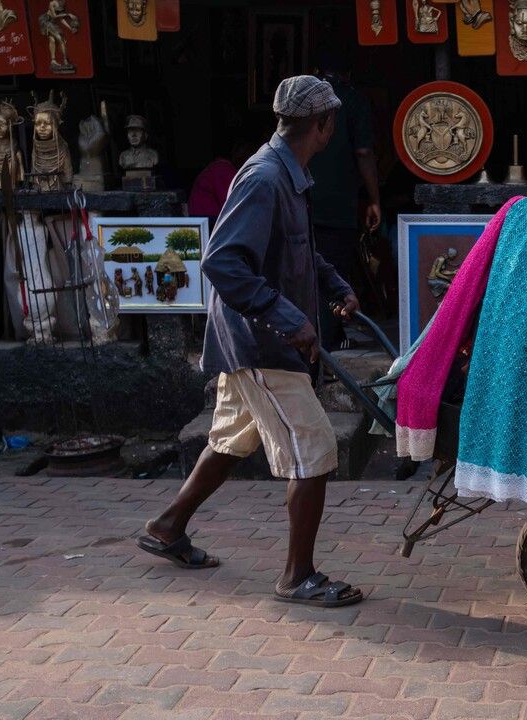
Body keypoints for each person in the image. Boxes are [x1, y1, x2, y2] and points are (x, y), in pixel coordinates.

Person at [137, 75, 365, 608]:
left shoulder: (289, 174)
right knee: (314, 447)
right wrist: (289, 319)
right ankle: (298, 576)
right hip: (261, 342)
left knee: (231, 438)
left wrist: (335, 285)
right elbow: (222, 262)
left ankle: (167, 527)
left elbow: (296, 248)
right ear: (323, 124)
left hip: (259, 335)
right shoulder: (265, 178)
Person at [309, 52, 382, 350]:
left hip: (302, 198)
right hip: (337, 205)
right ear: (349, 74)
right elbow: (364, 152)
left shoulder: (306, 98)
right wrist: (374, 199)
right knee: (333, 272)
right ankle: (326, 342)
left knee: (302, 269)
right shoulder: (353, 100)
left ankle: (316, 338)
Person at [188, 140, 252, 221]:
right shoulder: (223, 169)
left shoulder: (218, 167)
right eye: (246, 151)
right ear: (236, 151)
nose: (249, 157)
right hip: (208, 221)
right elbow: (231, 203)